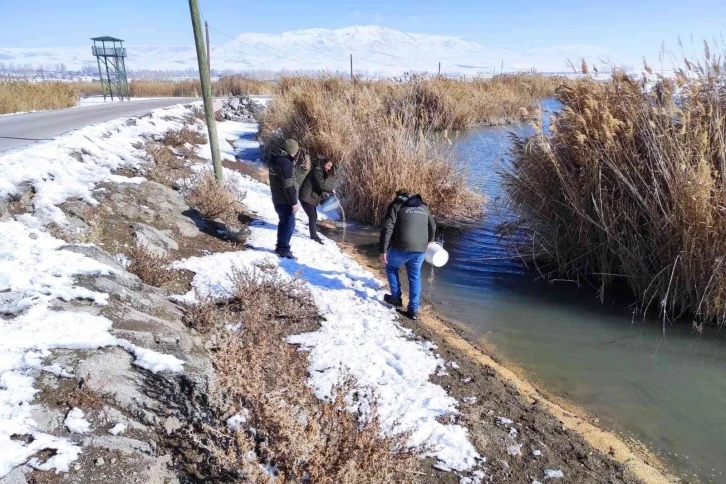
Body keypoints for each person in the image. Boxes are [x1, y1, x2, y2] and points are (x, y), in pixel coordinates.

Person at [379, 189, 436, 320]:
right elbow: (433, 226)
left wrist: (383, 250)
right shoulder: (423, 206)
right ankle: (414, 310)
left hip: (401, 246)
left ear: (399, 196)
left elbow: (388, 227)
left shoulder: (397, 205)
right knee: (415, 276)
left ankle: (396, 298)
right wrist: (430, 241)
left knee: (391, 267)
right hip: (420, 248)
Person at [268, 139, 302, 259]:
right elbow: (288, 185)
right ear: (291, 150)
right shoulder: (286, 163)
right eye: (295, 151)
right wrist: (293, 203)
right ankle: (284, 249)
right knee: (289, 224)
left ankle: (280, 246)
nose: (296, 154)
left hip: (277, 197)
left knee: (283, 222)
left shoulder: (274, 159)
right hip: (285, 199)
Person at [298, 157, 339, 244]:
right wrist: (331, 190)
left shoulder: (320, 171)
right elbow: (320, 186)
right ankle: (313, 236)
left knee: (314, 216)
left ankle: (314, 235)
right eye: (328, 165)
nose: (329, 168)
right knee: (312, 216)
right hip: (305, 197)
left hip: (309, 197)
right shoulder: (317, 171)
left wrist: (323, 198)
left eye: (330, 167)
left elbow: (318, 188)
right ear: (324, 163)